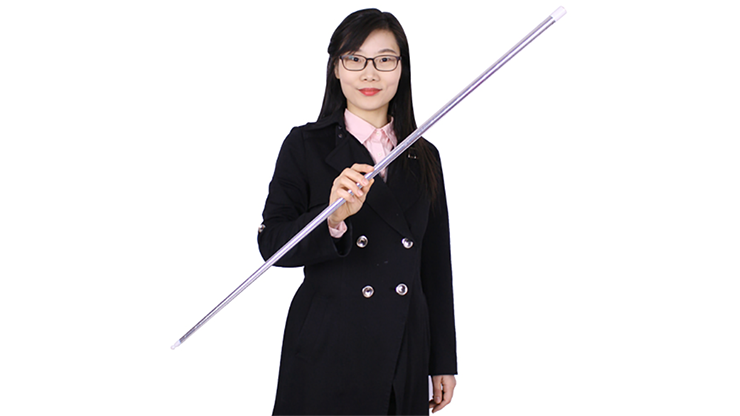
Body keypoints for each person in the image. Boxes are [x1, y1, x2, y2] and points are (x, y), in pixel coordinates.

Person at [258, 8, 457, 415]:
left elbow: (435, 265)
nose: (370, 74)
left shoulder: (424, 155)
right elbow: (272, 245)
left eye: (385, 60)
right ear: (336, 67)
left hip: (404, 345)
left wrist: (443, 360)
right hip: (328, 345)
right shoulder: (304, 146)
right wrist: (331, 218)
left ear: (402, 68)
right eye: (355, 59)